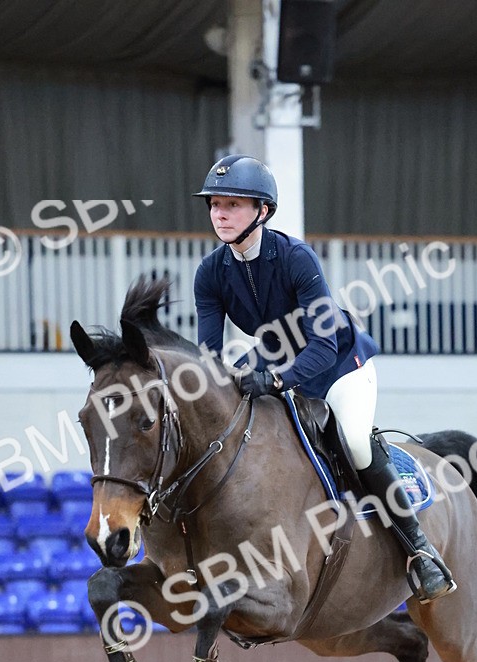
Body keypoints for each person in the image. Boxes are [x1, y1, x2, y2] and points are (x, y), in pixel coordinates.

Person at [193, 155, 455, 603]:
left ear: (263, 211)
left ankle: (420, 551)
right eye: (215, 203)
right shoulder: (211, 273)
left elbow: (322, 346)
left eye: (233, 204)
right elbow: (209, 356)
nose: (220, 213)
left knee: (353, 440)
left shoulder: (297, 258)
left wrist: (275, 381)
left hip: (336, 364)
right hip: (276, 361)